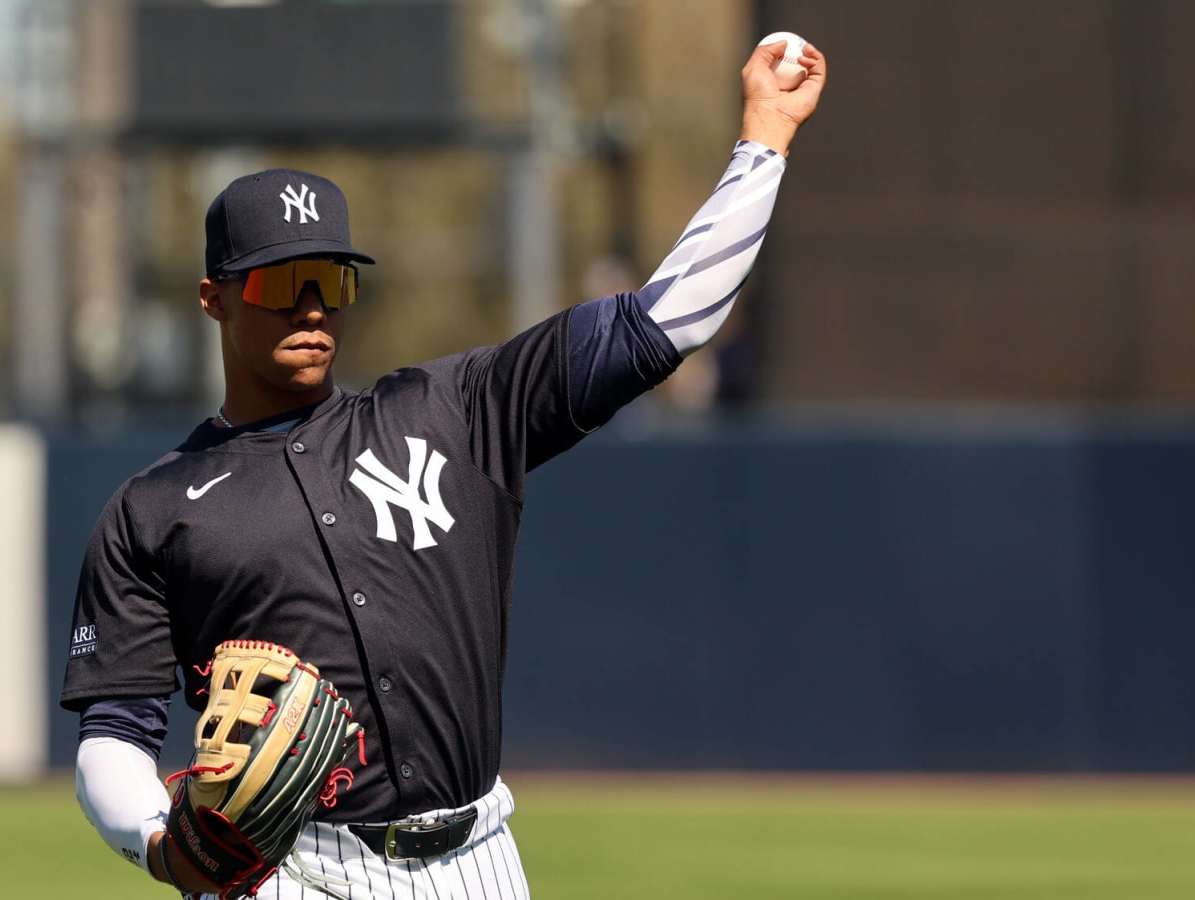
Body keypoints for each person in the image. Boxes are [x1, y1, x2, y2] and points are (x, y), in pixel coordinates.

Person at [62, 38, 826, 899]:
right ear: (213, 298)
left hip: (473, 863)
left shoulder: (455, 410)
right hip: (281, 872)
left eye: (331, 280)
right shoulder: (154, 510)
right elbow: (114, 733)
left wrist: (764, 135)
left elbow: (666, 324)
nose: (311, 305)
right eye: (279, 282)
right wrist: (161, 842)